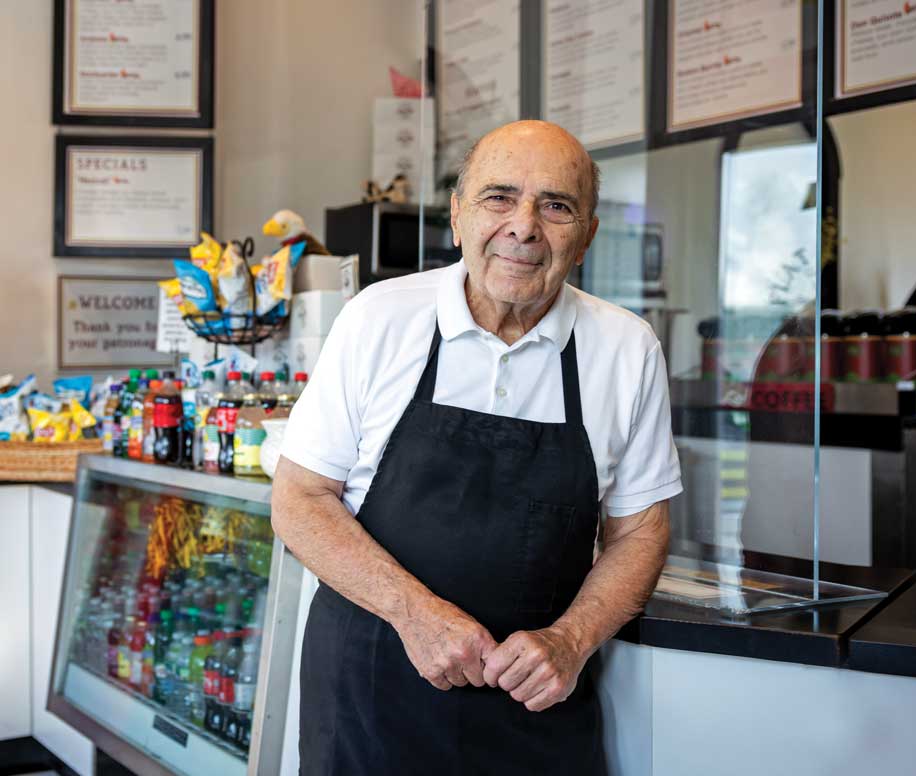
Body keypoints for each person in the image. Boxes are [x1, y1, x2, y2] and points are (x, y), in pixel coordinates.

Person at [272, 120, 682, 775]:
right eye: (499, 197)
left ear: (588, 236)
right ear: (457, 217)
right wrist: (417, 616)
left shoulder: (626, 350)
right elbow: (298, 499)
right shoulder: (379, 319)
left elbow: (642, 533)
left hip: (538, 710)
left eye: (556, 206)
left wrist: (570, 642)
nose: (524, 226)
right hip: (370, 703)